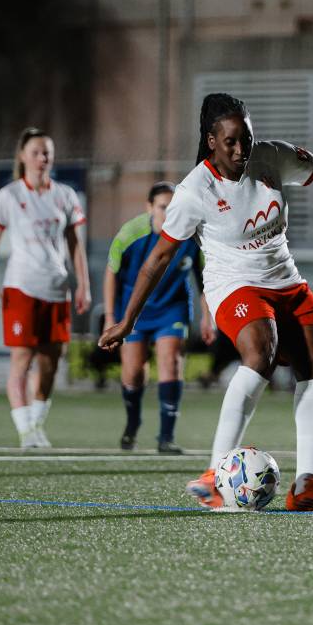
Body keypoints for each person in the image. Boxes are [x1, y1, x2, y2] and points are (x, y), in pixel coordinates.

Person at [99, 93, 313, 511]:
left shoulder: (272, 157)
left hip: (285, 280)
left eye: (246, 139)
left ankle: (307, 487)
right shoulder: (195, 191)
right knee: (260, 351)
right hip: (234, 285)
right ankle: (214, 474)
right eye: (230, 141)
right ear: (211, 141)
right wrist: (127, 320)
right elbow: (157, 259)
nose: (240, 149)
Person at [0, 127, 91, 448]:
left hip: (57, 288)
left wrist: (82, 284)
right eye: (36, 152)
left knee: (50, 363)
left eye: (47, 153)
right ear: (22, 156)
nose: (42, 158)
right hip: (21, 287)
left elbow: (75, 244)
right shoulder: (10, 196)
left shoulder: (65, 195)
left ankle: (36, 423)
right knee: (22, 358)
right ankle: (25, 429)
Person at [104, 181, 214, 453]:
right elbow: (111, 274)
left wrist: (207, 316)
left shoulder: (192, 236)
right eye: (163, 207)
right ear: (150, 208)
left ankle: (166, 437)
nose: (169, 212)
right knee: (133, 371)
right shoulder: (130, 234)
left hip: (172, 308)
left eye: (174, 206)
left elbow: (205, 280)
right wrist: (110, 316)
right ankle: (132, 423)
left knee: (171, 361)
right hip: (134, 310)